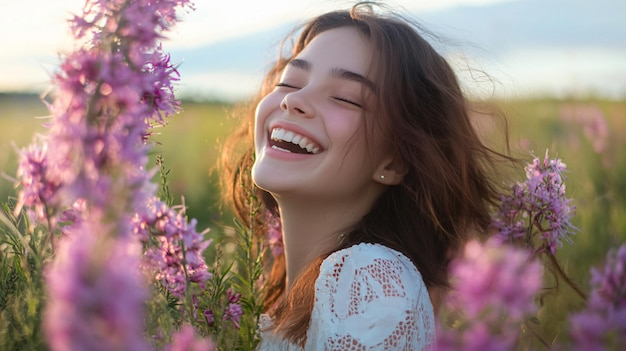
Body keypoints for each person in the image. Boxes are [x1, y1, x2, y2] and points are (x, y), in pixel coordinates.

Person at [220, 2, 511, 350]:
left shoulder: (371, 280)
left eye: (345, 98)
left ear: (394, 163)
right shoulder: (321, 286)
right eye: (290, 81)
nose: (293, 100)